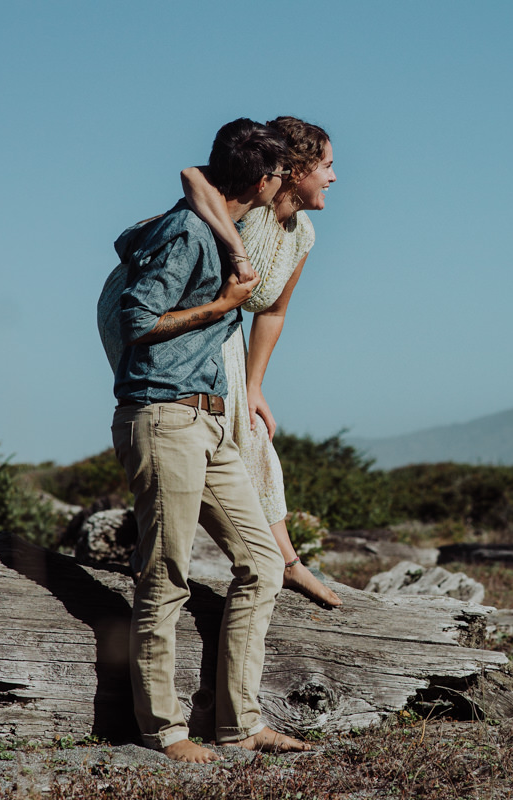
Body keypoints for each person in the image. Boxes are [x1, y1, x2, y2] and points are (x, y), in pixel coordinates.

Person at [108, 118, 310, 763]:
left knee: (263, 562)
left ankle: (239, 723)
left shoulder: (220, 226)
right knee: (164, 574)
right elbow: (137, 319)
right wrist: (224, 305)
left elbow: (193, 179)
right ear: (262, 179)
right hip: (162, 416)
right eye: (280, 176)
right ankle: (163, 729)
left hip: (211, 420)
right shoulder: (187, 233)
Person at [179, 116, 341, 608]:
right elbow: (191, 174)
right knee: (215, 437)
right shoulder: (248, 206)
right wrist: (235, 248)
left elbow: (272, 312)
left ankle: (283, 563)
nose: (333, 178)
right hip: (171, 321)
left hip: (220, 325)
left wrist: (254, 387)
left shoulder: (304, 233)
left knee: (250, 431)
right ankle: (275, 563)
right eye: (327, 167)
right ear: (296, 170)